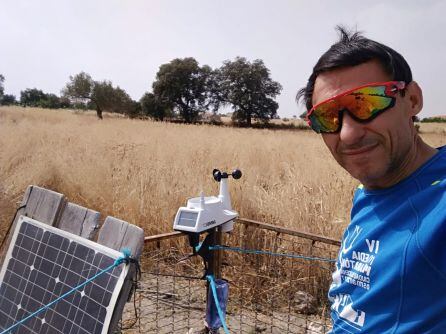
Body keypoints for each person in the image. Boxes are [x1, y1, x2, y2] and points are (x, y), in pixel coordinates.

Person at [297, 26, 446, 333]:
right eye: (327, 117)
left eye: (365, 103)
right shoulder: (371, 188)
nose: (347, 134)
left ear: (413, 99)